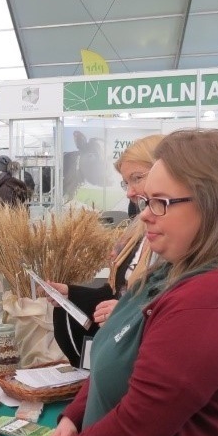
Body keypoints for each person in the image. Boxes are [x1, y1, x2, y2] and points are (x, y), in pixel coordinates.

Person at [46, 129, 218, 436]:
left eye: (161, 202)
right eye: (146, 201)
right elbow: (115, 356)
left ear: (211, 203)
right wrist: (74, 417)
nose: (145, 215)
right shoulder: (173, 272)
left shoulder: (212, 301)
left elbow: (140, 426)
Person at [47, 134, 162, 366]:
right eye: (126, 183)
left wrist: (127, 312)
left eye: (137, 178)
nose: (129, 192)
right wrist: (71, 293)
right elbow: (118, 292)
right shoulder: (138, 232)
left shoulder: (179, 243)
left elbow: (171, 308)